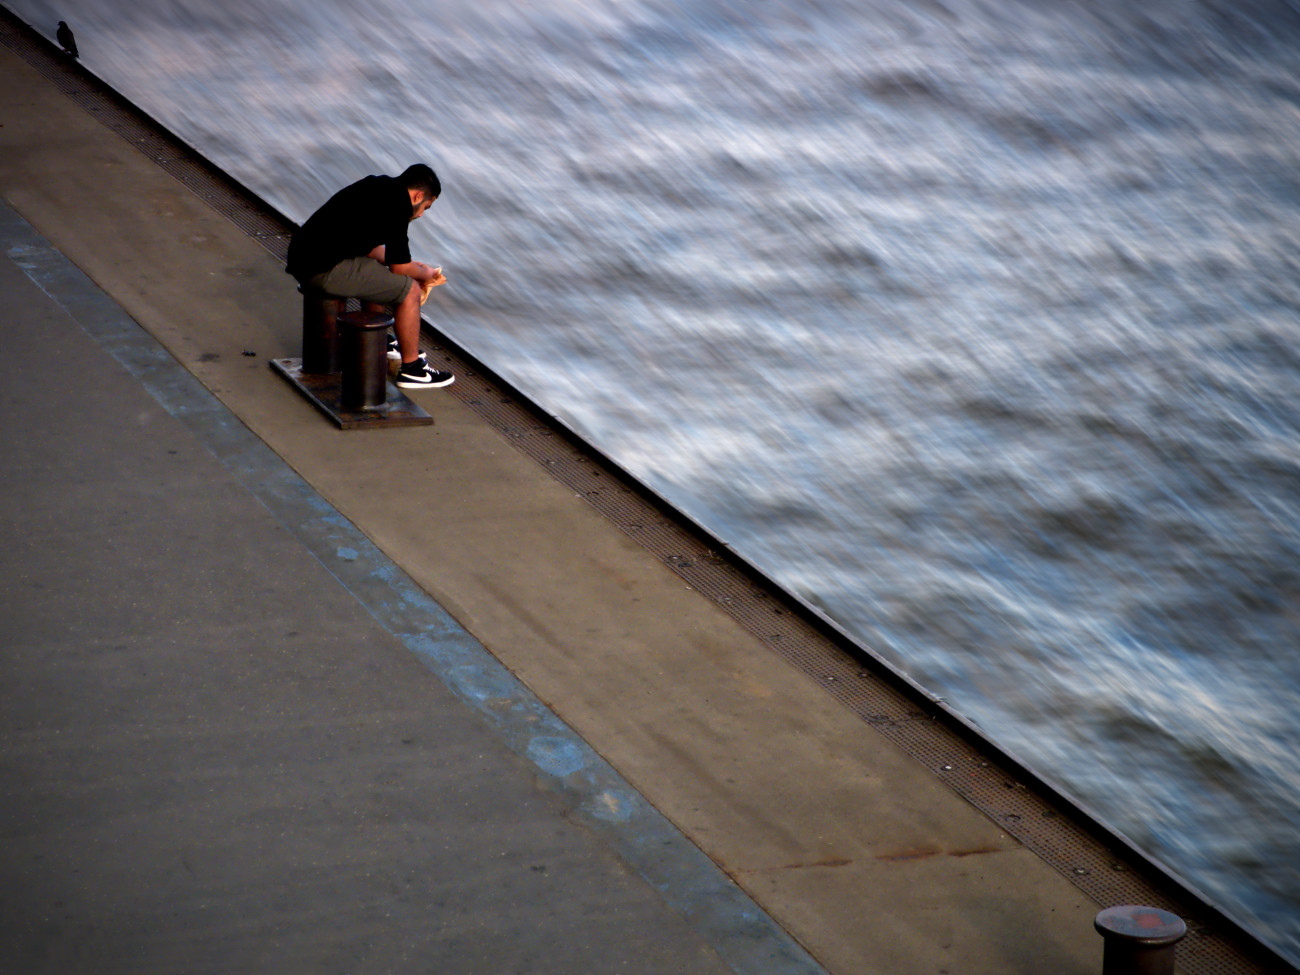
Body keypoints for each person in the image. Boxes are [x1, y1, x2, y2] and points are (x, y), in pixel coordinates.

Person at [286, 164, 454, 388]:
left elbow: (370, 250)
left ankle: (378, 340)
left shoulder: (377, 186)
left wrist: (412, 265)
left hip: (304, 259)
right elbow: (400, 270)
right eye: (426, 207)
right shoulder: (398, 206)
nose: (422, 214)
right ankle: (413, 369)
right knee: (409, 290)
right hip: (322, 270)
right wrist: (427, 273)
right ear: (418, 195)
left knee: (376, 272)